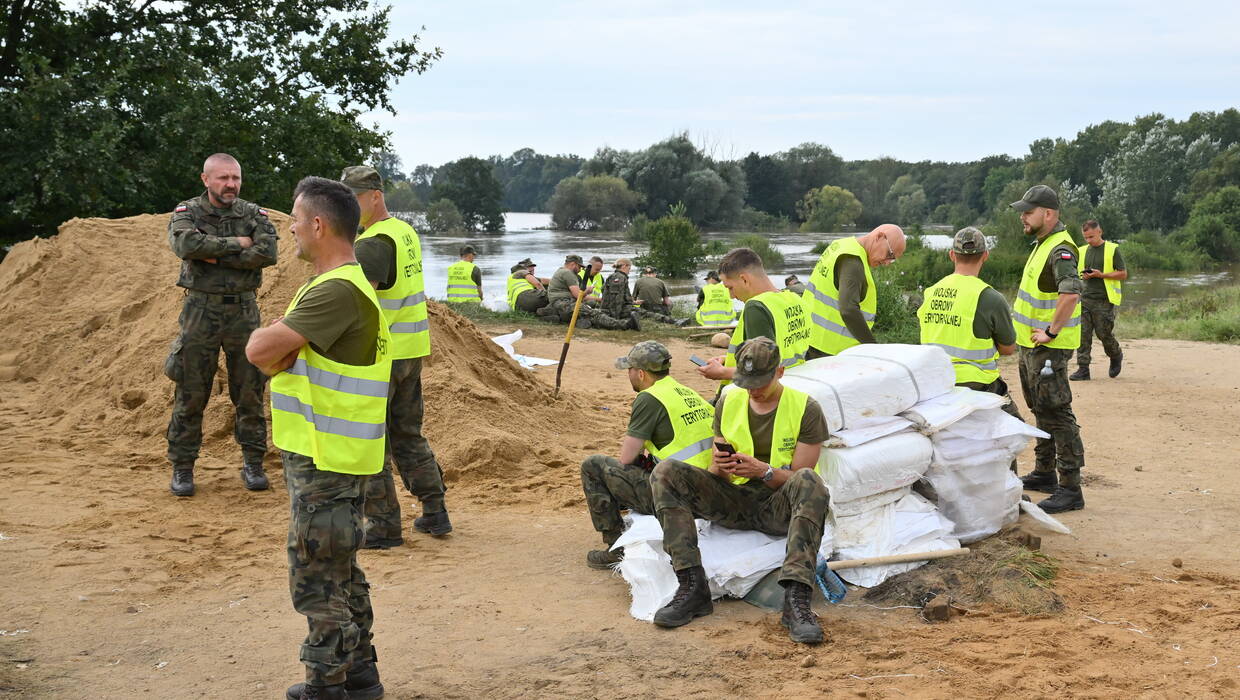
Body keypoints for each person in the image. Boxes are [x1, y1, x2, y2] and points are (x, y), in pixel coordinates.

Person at [244, 176, 390, 700]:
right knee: (341, 569)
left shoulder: (335, 291)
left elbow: (260, 350)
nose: (290, 228)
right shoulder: (336, 286)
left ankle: (325, 686)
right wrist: (284, 344)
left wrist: (279, 343)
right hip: (335, 454)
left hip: (326, 457)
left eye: (294, 218)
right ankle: (360, 674)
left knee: (316, 575)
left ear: (319, 224)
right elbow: (279, 350)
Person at [650, 337, 830, 644]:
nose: (754, 390)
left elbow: (801, 477)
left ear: (780, 372)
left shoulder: (805, 409)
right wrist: (722, 466)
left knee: (812, 483)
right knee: (666, 471)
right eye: (747, 383)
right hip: (736, 499)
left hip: (778, 505)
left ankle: (797, 599)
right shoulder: (729, 401)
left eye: (761, 382)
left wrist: (764, 472)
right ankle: (692, 587)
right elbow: (716, 475)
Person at [342, 165, 452, 547]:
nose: (350, 208)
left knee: (370, 440)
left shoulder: (372, 243)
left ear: (375, 195)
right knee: (408, 434)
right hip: (409, 352)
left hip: (380, 356)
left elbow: (361, 301)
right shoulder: (404, 231)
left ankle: (384, 526)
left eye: (354, 198)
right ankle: (435, 511)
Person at [164, 153, 278, 497]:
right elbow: (185, 243)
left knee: (250, 391)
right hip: (200, 310)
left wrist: (211, 253)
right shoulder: (187, 212)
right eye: (223, 178)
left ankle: (253, 464)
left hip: (244, 312)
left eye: (235, 178)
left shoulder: (252, 213)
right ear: (206, 180)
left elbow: (268, 252)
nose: (230, 184)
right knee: (191, 389)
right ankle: (183, 468)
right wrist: (238, 245)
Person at [579, 341, 714, 569]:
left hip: (679, 497)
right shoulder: (685, 392)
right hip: (710, 489)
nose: (629, 375)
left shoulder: (649, 398)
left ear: (641, 373)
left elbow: (626, 459)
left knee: (594, 466)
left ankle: (616, 546)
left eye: (629, 370)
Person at [1009, 185, 1086, 514]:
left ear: (1049, 214)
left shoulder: (1060, 249)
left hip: (1049, 349)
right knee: (1041, 409)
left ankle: (1070, 488)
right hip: (1032, 348)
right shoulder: (1042, 244)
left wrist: (1052, 332)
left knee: (1057, 413)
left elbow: (1071, 293)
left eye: (1028, 211)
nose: (1022, 217)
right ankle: (1044, 473)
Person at [918, 227, 1027, 426]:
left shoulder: (931, 292)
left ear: (952, 255)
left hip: (936, 381)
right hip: (978, 385)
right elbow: (1008, 349)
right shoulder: (990, 297)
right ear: (985, 255)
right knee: (1014, 430)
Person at [697, 248, 809, 389]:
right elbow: (784, 350)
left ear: (744, 279)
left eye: (730, 287)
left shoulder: (756, 307)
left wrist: (722, 372)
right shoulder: (795, 299)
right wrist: (729, 360)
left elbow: (761, 372)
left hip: (754, 397)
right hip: (789, 386)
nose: (731, 296)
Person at [802, 224, 906, 359]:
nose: (887, 263)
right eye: (889, 254)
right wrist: (872, 347)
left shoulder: (841, 245)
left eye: (892, 260)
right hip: (829, 351)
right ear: (879, 237)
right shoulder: (853, 262)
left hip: (810, 339)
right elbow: (848, 309)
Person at [1072, 219, 1127, 380]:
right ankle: (1083, 369)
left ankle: (1115, 355)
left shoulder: (1112, 249)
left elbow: (1123, 273)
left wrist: (1100, 275)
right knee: (1083, 334)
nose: (1088, 240)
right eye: (1086, 238)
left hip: (1104, 300)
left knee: (1104, 334)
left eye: (1091, 237)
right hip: (1084, 298)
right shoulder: (1081, 251)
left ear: (1099, 232)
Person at [546, 254, 637, 330]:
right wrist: (587, 291)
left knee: (592, 308)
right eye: (579, 266)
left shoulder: (561, 271)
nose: (581, 269)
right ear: (573, 264)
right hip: (563, 303)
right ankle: (623, 325)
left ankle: (583, 321)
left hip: (562, 302)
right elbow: (578, 295)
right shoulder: (568, 273)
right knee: (593, 313)